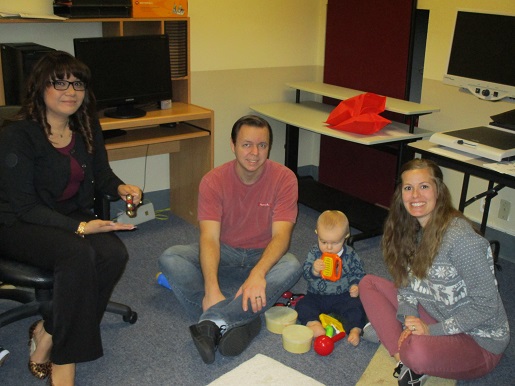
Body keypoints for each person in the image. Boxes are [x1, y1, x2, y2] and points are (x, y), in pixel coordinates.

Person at [0, 51, 142, 386]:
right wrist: (79, 227)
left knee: (113, 253)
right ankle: (65, 367)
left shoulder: (86, 126)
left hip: (64, 213)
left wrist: (121, 187)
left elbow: (101, 174)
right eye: (59, 82)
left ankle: (50, 332)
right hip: (16, 223)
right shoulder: (18, 135)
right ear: (40, 89)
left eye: (77, 83)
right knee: (77, 253)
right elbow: (24, 207)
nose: (70, 91)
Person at [158, 115, 302, 364]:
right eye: (246, 144)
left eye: (262, 145)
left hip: (262, 254)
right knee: (170, 257)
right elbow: (209, 237)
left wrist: (258, 274)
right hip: (225, 251)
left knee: (291, 265)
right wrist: (212, 287)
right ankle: (245, 319)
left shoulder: (285, 178)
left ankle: (213, 322)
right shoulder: (213, 181)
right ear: (233, 145)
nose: (254, 153)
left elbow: (281, 236)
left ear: (269, 147)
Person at [359, 159, 510, 386]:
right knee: (368, 283)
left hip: (479, 340)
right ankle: (405, 360)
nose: (415, 195)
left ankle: (409, 352)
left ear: (438, 190)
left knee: (416, 349)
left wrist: (431, 331)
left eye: (424, 186)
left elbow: (487, 307)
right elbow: (406, 284)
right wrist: (410, 318)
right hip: (439, 312)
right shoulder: (410, 229)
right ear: (401, 193)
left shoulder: (461, 240)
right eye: (408, 188)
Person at [295, 210, 366, 346]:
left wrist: (355, 285)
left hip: (342, 295)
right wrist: (314, 270)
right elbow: (305, 273)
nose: (328, 247)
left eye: (334, 243)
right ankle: (314, 324)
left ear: (346, 236)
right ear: (317, 234)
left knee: (356, 307)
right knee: (303, 305)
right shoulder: (314, 252)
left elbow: (358, 272)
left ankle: (355, 330)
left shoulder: (350, 255)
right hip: (316, 295)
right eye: (323, 241)